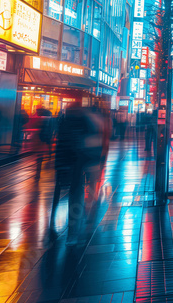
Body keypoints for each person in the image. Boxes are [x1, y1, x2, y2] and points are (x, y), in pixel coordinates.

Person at [52, 103, 103, 245]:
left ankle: (63, 228)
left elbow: (60, 143)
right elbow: (92, 142)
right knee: (75, 196)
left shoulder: (64, 122)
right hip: (78, 163)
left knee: (67, 195)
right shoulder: (86, 122)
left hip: (68, 163)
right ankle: (72, 232)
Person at [34, 107, 55, 180]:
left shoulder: (44, 119)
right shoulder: (49, 118)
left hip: (41, 139)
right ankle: (37, 173)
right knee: (40, 155)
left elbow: (44, 129)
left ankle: (37, 174)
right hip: (44, 138)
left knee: (39, 156)